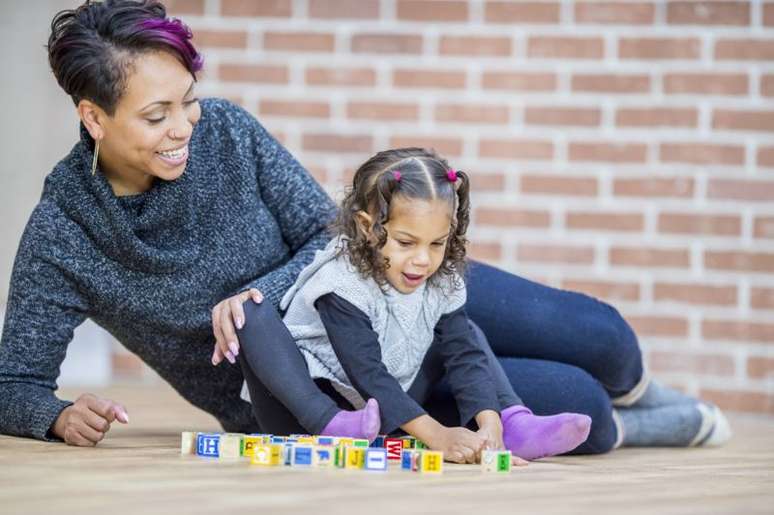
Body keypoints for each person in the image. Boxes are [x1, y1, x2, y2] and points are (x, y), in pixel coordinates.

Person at [0, 0, 729, 452]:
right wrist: (58, 416)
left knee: (603, 338)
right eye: (156, 116)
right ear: (92, 118)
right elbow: (14, 382)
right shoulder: (65, 235)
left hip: (389, 280)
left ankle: (641, 392)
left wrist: (250, 295)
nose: (184, 126)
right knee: (580, 403)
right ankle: (632, 422)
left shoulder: (225, 132)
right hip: (323, 393)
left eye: (187, 100)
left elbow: (330, 232)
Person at [235, 148, 593, 463]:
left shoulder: (441, 280)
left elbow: (464, 355)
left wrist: (489, 422)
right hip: (307, 411)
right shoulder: (340, 283)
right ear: (366, 227)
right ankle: (331, 423)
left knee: (466, 334)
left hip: (391, 404)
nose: (423, 260)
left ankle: (513, 424)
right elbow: (368, 372)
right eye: (406, 242)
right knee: (250, 313)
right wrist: (438, 436)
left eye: (437, 243)